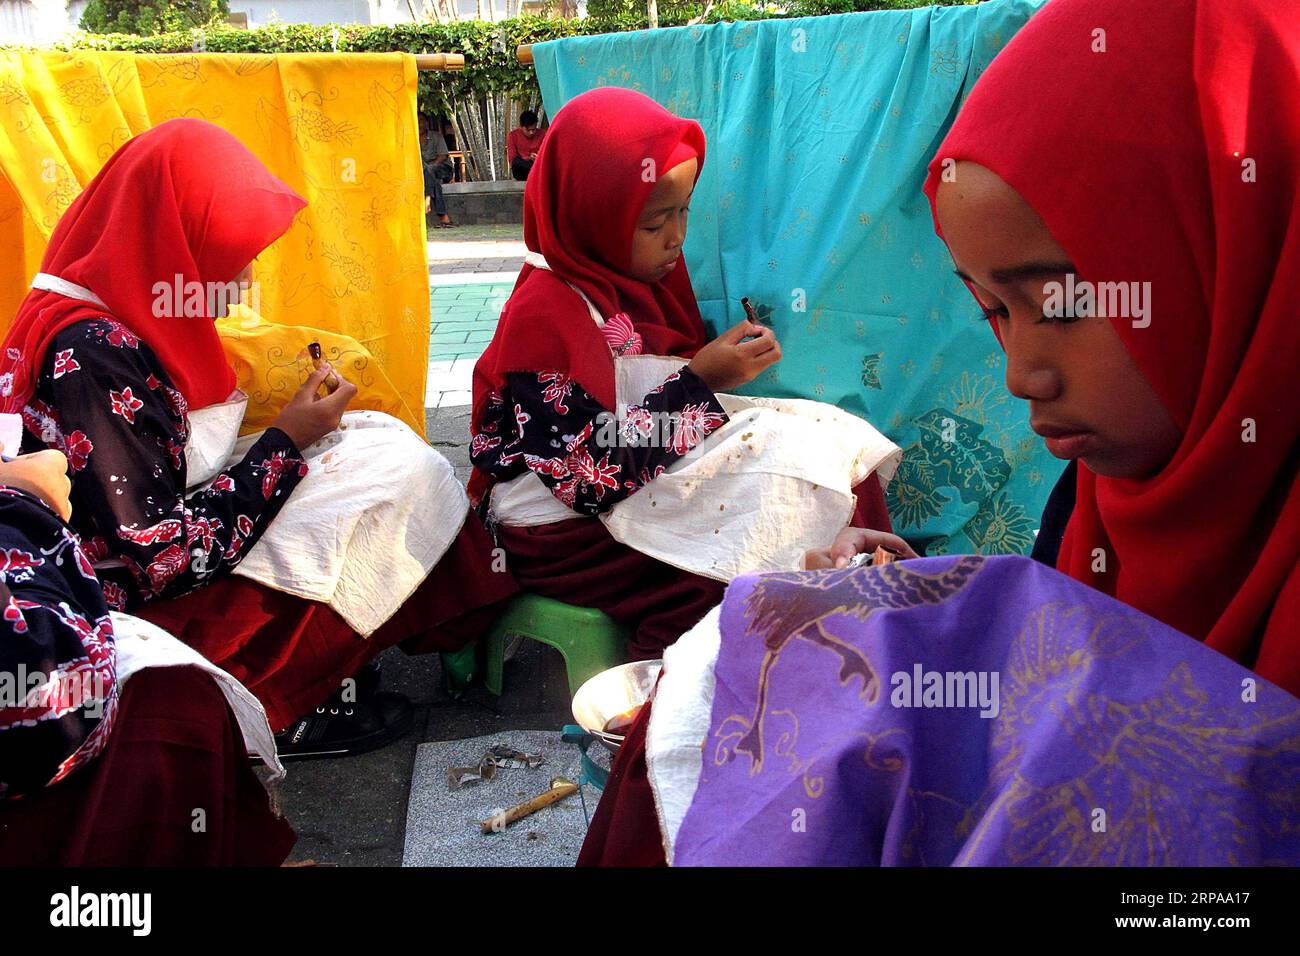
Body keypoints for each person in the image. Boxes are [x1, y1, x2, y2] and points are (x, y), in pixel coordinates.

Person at [579, 0, 1300, 864]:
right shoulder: (1106, 498)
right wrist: (937, 604)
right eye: (995, 311)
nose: (1021, 375)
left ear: (1243, 246)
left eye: (1062, 305)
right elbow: (581, 469)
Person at [2, 118, 516, 759]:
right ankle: (280, 698)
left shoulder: (103, 302)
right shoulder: (97, 351)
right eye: (230, 257)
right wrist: (285, 440)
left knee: (374, 441)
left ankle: (355, 657)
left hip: (130, 552)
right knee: (390, 479)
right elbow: (158, 557)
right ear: (174, 246)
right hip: (128, 606)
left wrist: (292, 439)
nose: (244, 281)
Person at [470, 88, 906, 660]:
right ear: (592, 213)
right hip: (564, 534)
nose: (677, 237)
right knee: (727, 572)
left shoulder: (641, 285)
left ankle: (870, 634)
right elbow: (584, 478)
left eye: (684, 212)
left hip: (635, 481)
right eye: (654, 223)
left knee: (831, 448)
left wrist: (715, 370)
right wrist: (700, 381)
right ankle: (673, 700)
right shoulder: (544, 317)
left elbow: (653, 389)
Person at [0, 449, 293, 865]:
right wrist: (23, 502)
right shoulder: (91, 381)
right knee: (177, 698)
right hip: (58, 695)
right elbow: (50, 701)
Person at [420, 114, 456, 228]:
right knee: (435, 181)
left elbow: (442, 156)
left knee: (430, 171)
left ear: (426, 123)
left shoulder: (436, 136)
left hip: (444, 169)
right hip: (428, 175)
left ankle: (428, 198)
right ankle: (444, 217)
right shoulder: (412, 140)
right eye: (416, 121)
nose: (419, 124)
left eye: (421, 121)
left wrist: (429, 169)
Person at [507, 110, 545, 182]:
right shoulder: (513, 136)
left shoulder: (542, 134)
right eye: (528, 130)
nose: (531, 132)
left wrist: (538, 157)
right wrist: (528, 158)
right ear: (521, 127)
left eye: (533, 130)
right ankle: (535, 170)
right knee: (516, 162)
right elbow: (512, 160)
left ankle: (536, 170)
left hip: (538, 165)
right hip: (523, 170)